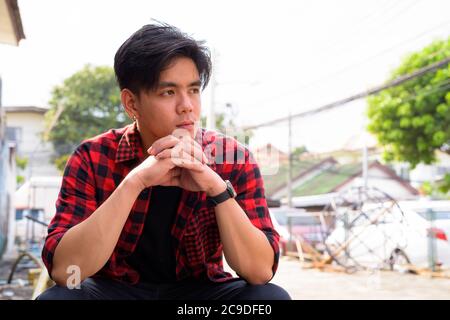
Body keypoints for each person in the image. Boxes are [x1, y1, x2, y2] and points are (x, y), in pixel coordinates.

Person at [37, 22, 291, 300]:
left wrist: (217, 189)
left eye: (193, 90)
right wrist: (135, 182)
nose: (187, 105)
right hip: (115, 290)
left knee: (269, 299)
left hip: (199, 294)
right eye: (168, 92)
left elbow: (260, 272)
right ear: (132, 104)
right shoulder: (91, 157)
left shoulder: (233, 159)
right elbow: (66, 271)